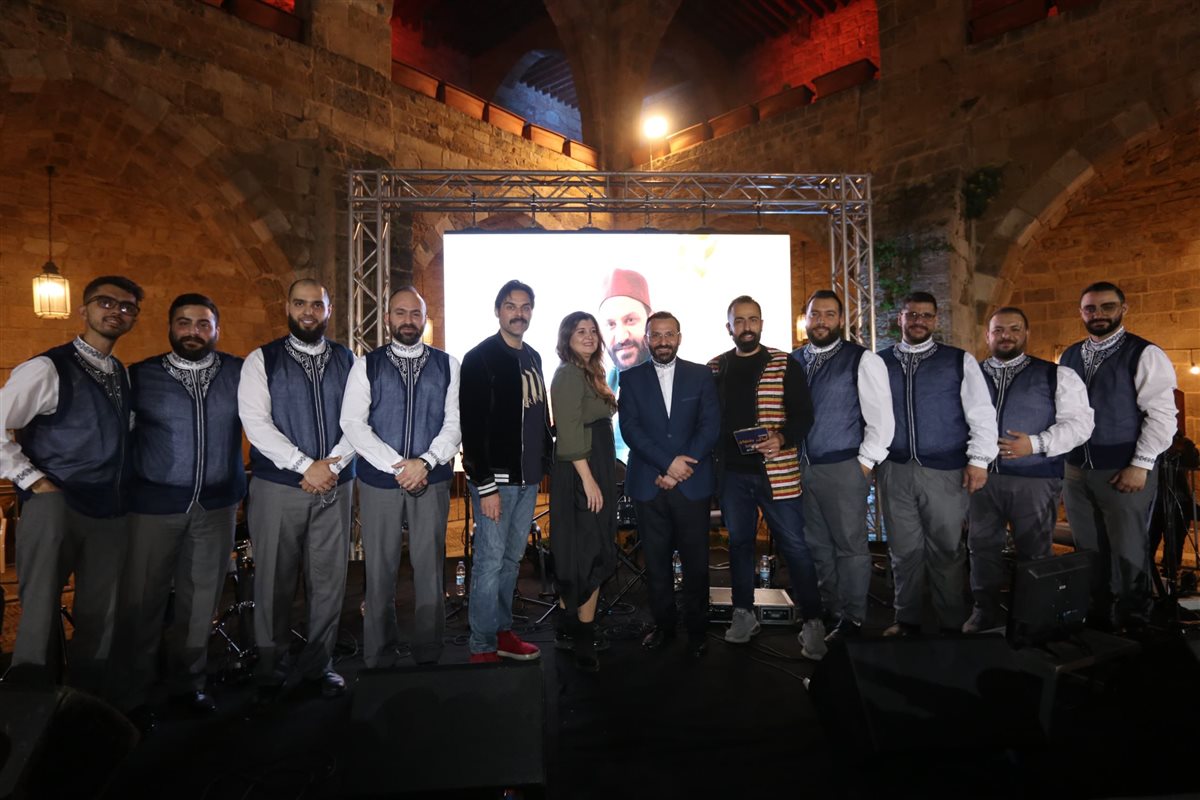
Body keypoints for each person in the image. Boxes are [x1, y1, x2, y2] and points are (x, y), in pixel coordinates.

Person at [0, 275, 142, 696]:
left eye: (127, 306)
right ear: (83, 310)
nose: (116, 311)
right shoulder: (47, 368)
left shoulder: (121, 373)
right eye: (105, 302)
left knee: (100, 613)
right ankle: (33, 705)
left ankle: (86, 703)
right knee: (40, 611)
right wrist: (33, 481)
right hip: (56, 502)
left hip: (110, 509)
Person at [112, 293, 246, 723]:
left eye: (203, 324)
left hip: (217, 507)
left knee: (200, 602)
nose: (193, 331)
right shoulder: (140, 376)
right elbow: (118, 437)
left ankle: (189, 686)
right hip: (153, 507)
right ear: (170, 327)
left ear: (217, 329)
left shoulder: (239, 372)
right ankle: (133, 694)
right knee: (143, 602)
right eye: (184, 323)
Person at [238, 278, 356, 700]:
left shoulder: (347, 359)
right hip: (279, 487)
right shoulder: (261, 360)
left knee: (329, 581)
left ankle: (318, 666)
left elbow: (359, 419)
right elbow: (256, 424)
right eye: (301, 304)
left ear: (329, 309)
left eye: (317, 305)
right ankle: (270, 669)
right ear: (287, 307)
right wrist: (307, 466)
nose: (309, 312)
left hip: (336, 484)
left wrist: (332, 465)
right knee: (274, 581)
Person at [340, 286, 460, 667]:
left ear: (425, 319)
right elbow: (352, 423)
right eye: (400, 313)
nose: (408, 320)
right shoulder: (367, 365)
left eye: (415, 314)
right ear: (387, 318)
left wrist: (425, 462)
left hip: (432, 479)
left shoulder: (448, 365)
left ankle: (429, 651)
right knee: (379, 570)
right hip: (379, 482)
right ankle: (379, 654)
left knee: (430, 569)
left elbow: (454, 423)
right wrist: (399, 465)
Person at [708, 295, 826, 660]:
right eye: (740, 321)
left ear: (761, 323)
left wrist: (781, 437)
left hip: (779, 472)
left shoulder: (784, 363)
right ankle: (743, 614)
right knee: (740, 545)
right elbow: (708, 421)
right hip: (732, 475)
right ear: (729, 327)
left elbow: (804, 416)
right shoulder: (715, 367)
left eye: (753, 319)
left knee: (796, 547)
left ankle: (812, 621)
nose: (747, 327)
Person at [964, 306, 1093, 633]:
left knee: (1034, 551)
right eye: (998, 330)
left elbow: (1081, 425)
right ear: (987, 335)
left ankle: (1032, 619)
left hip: (1034, 478)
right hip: (981, 478)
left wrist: (1035, 444)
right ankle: (984, 611)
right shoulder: (970, 374)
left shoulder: (1057, 375)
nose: (1006, 335)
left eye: (1014, 329)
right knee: (981, 547)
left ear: (1026, 334)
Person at [877, 292, 998, 637]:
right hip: (894, 469)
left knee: (946, 550)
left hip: (945, 471)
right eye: (912, 314)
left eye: (926, 315)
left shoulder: (958, 360)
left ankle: (950, 624)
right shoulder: (879, 362)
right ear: (900, 318)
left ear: (935, 320)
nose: (919, 321)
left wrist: (979, 461)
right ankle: (906, 619)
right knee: (903, 550)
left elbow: (981, 413)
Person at [1060, 281, 1177, 630]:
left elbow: (1162, 415)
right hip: (1076, 468)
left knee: (1127, 548)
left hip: (1123, 467)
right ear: (1081, 312)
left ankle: (1134, 620)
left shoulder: (1145, 353)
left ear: (1123, 309)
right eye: (1090, 308)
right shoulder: (1069, 355)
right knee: (1088, 547)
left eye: (1107, 307)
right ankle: (1097, 618)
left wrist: (1141, 464)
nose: (1098, 314)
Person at [794, 290, 894, 643]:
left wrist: (864, 464)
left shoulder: (861, 359)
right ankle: (831, 608)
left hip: (843, 467)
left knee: (850, 546)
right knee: (817, 545)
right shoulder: (794, 359)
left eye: (829, 314)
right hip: (801, 469)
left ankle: (853, 617)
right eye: (815, 314)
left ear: (840, 319)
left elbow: (882, 418)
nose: (821, 320)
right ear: (806, 318)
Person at [460, 280, 551, 664]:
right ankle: (482, 645)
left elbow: (537, 418)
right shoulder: (479, 358)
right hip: (495, 482)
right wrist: (485, 485)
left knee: (512, 561)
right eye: (511, 306)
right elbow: (472, 427)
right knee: (489, 563)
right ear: (498, 310)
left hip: (528, 480)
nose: (519, 313)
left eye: (525, 306)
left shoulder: (533, 357)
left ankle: (501, 632)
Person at [619, 311, 719, 658]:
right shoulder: (630, 378)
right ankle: (664, 627)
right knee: (656, 563)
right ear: (647, 339)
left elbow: (710, 425)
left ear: (679, 337)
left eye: (669, 335)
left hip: (691, 482)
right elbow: (630, 430)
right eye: (656, 335)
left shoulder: (701, 375)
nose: (663, 341)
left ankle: (697, 631)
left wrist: (679, 468)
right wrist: (666, 464)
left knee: (696, 564)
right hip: (649, 483)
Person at [548, 312, 618, 672]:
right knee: (587, 551)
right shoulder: (568, 374)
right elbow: (569, 432)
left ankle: (568, 627)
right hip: (581, 472)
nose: (589, 336)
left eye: (593, 331)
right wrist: (589, 480)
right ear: (567, 337)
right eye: (580, 331)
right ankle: (583, 638)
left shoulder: (592, 372)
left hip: (596, 467)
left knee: (583, 548)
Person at [599, 268, 652, 463]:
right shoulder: (598, 384)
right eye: (611, 324)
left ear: (651, 321)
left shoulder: (673, 379)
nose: (621, 337)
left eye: (630, 320)